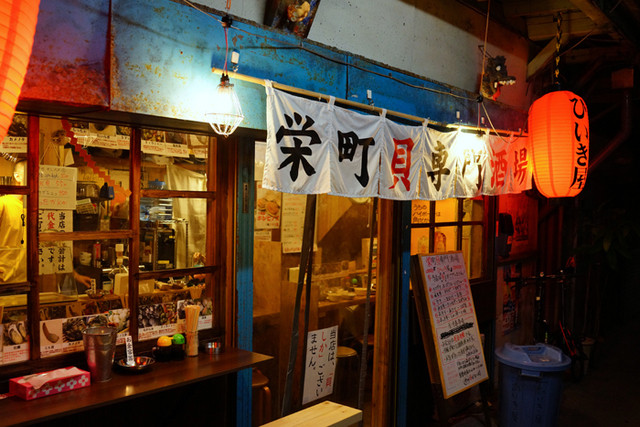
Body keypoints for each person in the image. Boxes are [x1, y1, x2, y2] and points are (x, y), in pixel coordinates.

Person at [0, 161, 92, 291]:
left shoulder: (37, 209)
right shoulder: (4, 204)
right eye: (32, 174)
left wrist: (74, 275)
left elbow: (51, 245)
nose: (38, 179)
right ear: (17, 177)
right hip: (5, 283)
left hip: (29, 284)